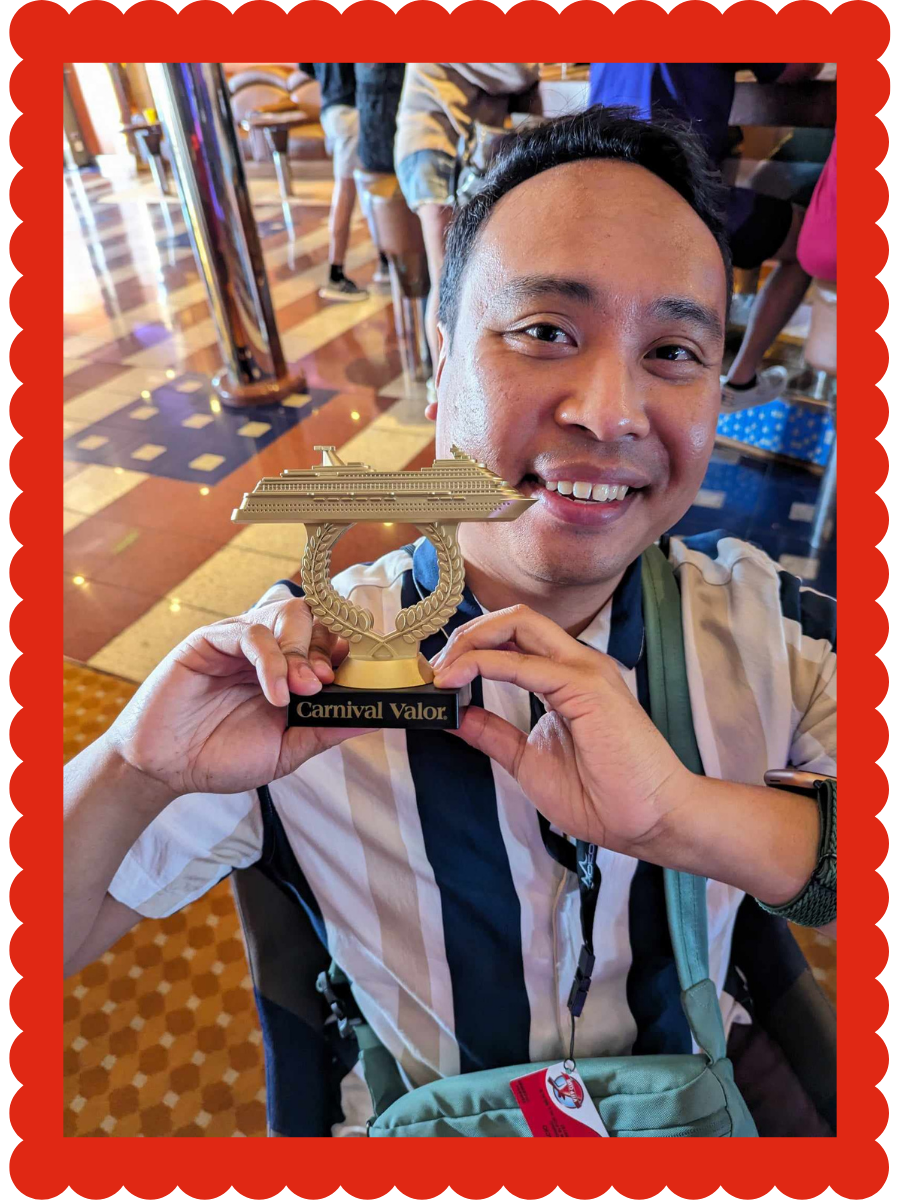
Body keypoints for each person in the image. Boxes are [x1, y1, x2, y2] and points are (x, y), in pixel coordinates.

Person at [64, 109, 836, 1136]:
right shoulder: (293, 676)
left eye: (674, 349)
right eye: (545, 332)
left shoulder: (777, 633)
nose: (611, 412)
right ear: (440, 362)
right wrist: (135, 767)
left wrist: (680, 818)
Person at [588, 63, 826, 411]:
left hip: (596, 193)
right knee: (810, 238)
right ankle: (739, 381)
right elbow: (797, 67)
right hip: (676, 194)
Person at [394, 62, 542, 378]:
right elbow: (518, 73)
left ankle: (446, 379)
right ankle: (444, 387)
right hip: (433, 150)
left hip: (442, 153)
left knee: (451, 278)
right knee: (447, 279)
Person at [300, 63, 370, 302]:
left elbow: (305, 66)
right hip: (350, 107)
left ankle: (385, 260)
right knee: (347, 190)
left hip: (329, 106)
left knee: (356, 186)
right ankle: (336, 274)